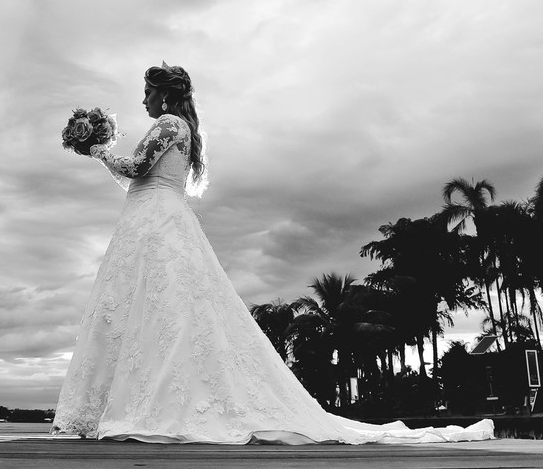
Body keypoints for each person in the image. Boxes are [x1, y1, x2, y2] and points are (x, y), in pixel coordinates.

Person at [51, 63, 493, 444]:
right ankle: (130, 399)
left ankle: (161, 401)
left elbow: (134, 168)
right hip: (148, 219)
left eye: (147, 91)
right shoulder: (175, 128)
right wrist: (103, 155)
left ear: (164, 92)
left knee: (166, 308)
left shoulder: (168, 124)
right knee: (149, 310)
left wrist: (99, 151)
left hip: (157, 223)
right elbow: (136, 180)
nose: (144, 99)